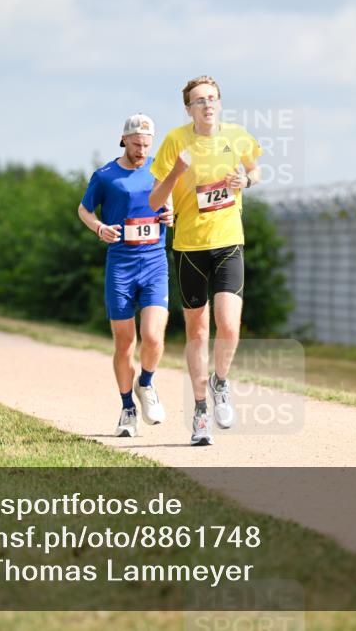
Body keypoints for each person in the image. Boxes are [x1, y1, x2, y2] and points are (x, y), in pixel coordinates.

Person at [148, 76, 263, 446]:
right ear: (188, 109)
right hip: (189, 247)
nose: (207, 105)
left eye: (212, 99)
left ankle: (221, 383)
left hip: (229, 241)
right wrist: (177, 173)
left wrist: (246, 180)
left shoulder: (237, 135)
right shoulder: (175, 141)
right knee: (197, 331)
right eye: (199, 101)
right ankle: (200, 412)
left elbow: (255, 170)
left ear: (219, 103)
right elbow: (154, 201)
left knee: (229, 326)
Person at [79, 114, 173, 438]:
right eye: (136, 144)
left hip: (154, 262)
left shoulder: (160, 168)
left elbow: (170, 201)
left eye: (147, 144)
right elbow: (84, 209)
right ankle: (127, 408)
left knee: (154, 336)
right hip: (120, 265)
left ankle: (145, 383)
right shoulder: (106, 176)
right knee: (124, 343)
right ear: (124, 140)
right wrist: (100, 228)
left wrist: (171, 213)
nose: (142, 150)